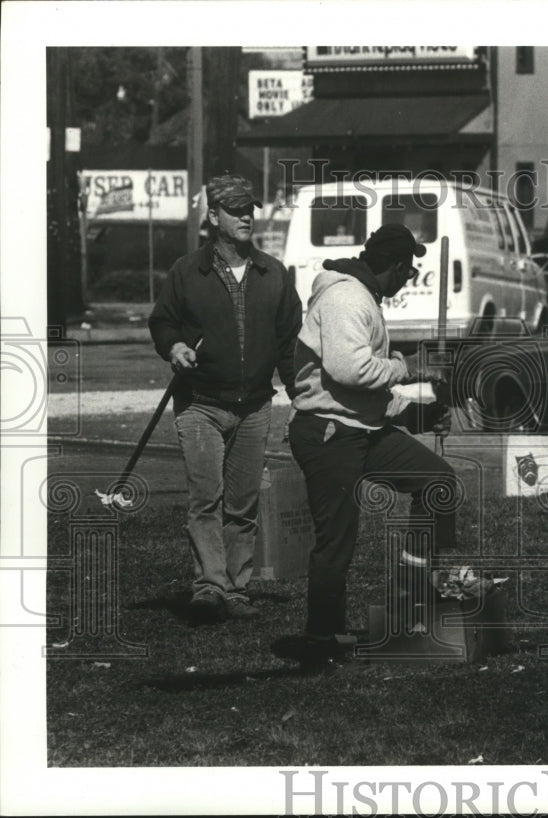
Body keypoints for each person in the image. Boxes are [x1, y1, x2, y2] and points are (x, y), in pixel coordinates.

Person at [283, 223, 477, 670]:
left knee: (437, 481)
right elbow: (351, 371)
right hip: (328, 433)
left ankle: (415, 579)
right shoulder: (346, 298)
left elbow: (363, 394)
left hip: (360, 428)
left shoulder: (364, 297)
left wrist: (414, 413)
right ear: (391, 266)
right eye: (407, 274)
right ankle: (320, 639)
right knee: (337, 542)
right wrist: (407, 367)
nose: (406, 281)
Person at [148, 173, 302, 623]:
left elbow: (289, 344)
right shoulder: (185, 271)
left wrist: (300, 398)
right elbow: (163, 322)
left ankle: (236, 588)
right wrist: (173, 347)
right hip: (200, 404)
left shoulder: (273, 273)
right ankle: (209, 586)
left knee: (243, 503)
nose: (245, 217)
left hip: (254, 405)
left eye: (249, 208)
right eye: (234, 210)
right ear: (213, 217)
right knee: (206, 498)